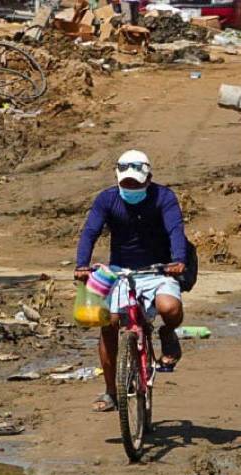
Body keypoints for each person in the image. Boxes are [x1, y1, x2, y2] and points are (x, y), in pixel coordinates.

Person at [75, 150, 187, 413]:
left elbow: (175, 229)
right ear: (117, 179)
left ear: (148, 178)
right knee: (109, 324)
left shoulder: (164, 198)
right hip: (118, 271)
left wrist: (178, 259)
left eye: (136, 183)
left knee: (169, 308)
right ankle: (111, 391)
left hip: (159, 269)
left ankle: (167, 333)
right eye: (126, 183)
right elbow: (90, 231)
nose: (131, 188)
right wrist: (81, 265)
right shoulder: (107, 199)